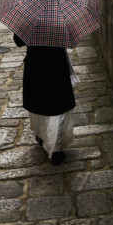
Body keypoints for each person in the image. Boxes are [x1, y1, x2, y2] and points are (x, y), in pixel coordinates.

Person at [13, 34, 76, 165]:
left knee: (39, 106)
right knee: (58, 109)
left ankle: (43, 137)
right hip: (57, 66)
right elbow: (69, 40)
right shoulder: (59, 18)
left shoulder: (28, 19)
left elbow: (18, 41)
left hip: (35, 67)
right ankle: (56, 150)